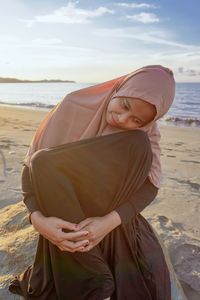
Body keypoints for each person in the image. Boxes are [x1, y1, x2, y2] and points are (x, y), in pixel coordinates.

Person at [9, 65, 175, 300]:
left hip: (104, 211)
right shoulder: (73, 104)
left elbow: (151, 186)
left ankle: (91, 273)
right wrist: (38, 220)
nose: (122, 119)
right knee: (43, 161)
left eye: (136, 119)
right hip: (64, 206)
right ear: (119, 88)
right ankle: (93, 274)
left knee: (138, 142)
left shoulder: (143, 134)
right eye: (124, 105)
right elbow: (31, 170)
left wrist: (108, 222)